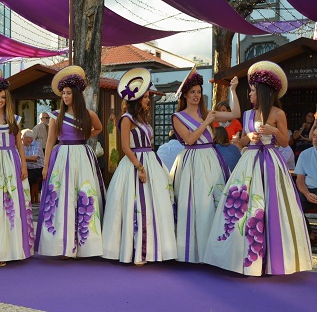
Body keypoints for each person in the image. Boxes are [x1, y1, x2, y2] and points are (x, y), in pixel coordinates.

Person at [204, 61, 312, 276]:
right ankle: (240, 256)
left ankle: (273, 259)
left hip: (271, 162)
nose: (250, 94)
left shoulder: (278, 114)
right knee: (246, 207)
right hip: (249, 161)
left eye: (253, 91)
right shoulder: (247, 115)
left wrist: (273, 130)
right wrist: (248, 137)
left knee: (272, 206)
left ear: (261, 92)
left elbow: (284, 143)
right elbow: (241, 142)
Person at [102, 68, 176, 264]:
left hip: (150, 161)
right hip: (135, 164)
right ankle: (136, 250)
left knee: (156, 205)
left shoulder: (142, 119)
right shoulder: (126, 119)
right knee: (135, 205)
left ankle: (152, 249)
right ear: (137, 99)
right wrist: (139, 168)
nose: (148, 100)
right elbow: (125, 147)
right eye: (146, 96)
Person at [34, 65, 105, 258]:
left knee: (83, 196)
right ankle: (64, 246)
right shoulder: (56, 116)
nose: (65, 97)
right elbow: (49, 142)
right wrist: (46, 165)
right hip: (62, 156)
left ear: (75, 94)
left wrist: (85, 135)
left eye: (68, 93)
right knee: (63, 199)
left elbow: (98, 128)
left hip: (82, 155)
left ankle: (84, 245)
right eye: (63, 93)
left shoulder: (88, 115)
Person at [171, 70, 239, 263]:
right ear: (185, 95)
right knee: (195, 205)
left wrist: (233, 90)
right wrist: (206, 123)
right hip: (192, 163)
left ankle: (214, 250)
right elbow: (190, 139)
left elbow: (235, 114)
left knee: (214, 204)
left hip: (211, 160)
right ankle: (193, 252)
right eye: (192, 92)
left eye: (199, 92)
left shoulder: (207, 113)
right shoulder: (178, 117)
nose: (196, 95)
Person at [0, 69, 34, 267]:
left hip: (11, 161)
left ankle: (13, 248)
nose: (0, 100)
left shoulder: (14, 120)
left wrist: (24, 165)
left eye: (3, 97)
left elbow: (19, 144)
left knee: (12, 204)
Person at [294, 127, 317, 247]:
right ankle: (311, 235)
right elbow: (300, 181)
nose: (315, 139)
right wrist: (307, 194)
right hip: (310, 189)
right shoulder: (305, 154)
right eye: (314, 136)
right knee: (294, 205)